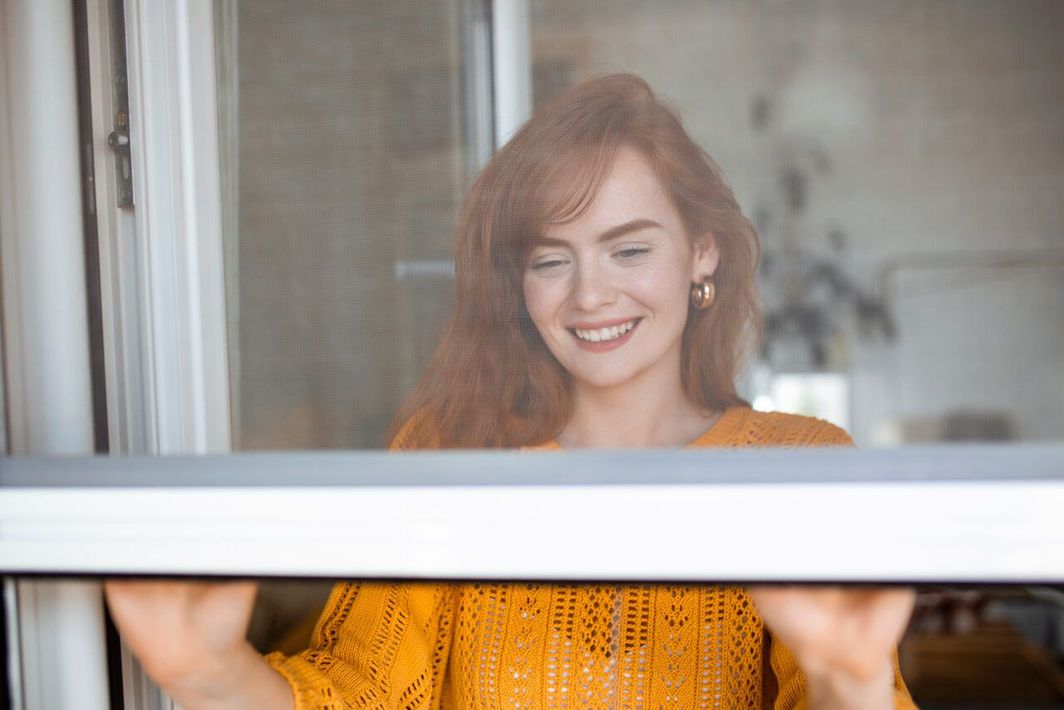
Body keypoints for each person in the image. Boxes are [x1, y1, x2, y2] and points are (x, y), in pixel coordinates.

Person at [106, 73, 916, 709]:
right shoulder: (444, 455)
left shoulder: (803, 466)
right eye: (550, 259)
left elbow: (837, 692)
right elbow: (361, 695)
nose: (589, 296)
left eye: (628, 250)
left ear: (702, 252)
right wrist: (207, 672)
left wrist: (850, 684)